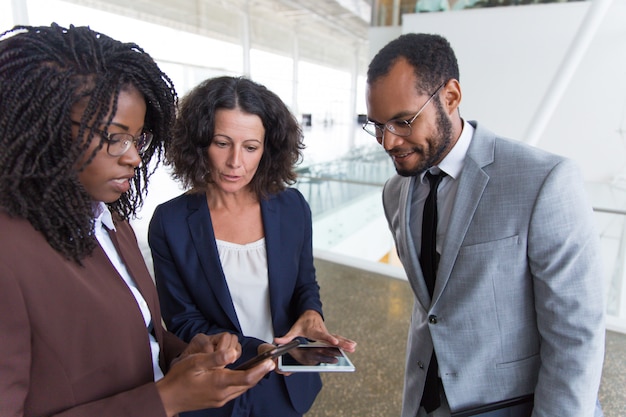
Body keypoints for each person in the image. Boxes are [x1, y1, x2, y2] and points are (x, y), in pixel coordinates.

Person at [0, 24, 274, 417]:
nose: (133, 157)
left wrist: (184, 355)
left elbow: (141, 336)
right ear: (42, 127)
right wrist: (166, 399)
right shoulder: (9, 254)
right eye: (115, 137)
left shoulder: (109, 222)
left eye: (138, 139)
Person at [364, 33, 605, 417]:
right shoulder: (396, 192)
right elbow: (434, 306)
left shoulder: (544, 180)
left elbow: (576, 337)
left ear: (451, 97)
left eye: (403, 121)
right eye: (376, 125)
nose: (388, 141)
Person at [148, 75, 357, 417]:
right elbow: (183, 321)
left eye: (250, 147)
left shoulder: (292, 208)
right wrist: (257, 351)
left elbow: (305, 282)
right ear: (198, 143)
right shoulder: (169, 222)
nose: (235, 162)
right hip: (214, 388)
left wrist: (311, 313)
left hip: (286, 387)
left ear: (267, 148)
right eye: (221, 143)